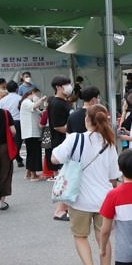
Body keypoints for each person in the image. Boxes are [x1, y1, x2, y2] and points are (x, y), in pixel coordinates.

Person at [52, 104, 121, 265]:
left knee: (80, 236)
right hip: (103, 199)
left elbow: (54, 159)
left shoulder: (75, 138)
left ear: (86, 120)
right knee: (103, 239)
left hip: (79, 199)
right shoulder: (108, 143)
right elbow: (113, 177)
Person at [46, 76, 75, 220]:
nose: (69, 86)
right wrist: (74, 131)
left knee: (68, 177)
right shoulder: (57, 104)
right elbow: (58, 126)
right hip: (61, 142)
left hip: (66, 141)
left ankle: (65, 208)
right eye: (66, 84)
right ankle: (60, 210)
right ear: (58, 87)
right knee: (65, 178)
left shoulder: (64, 102)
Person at [19, 85, 45, 181]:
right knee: (34, 153)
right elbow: (34, 106)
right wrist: (42, 100)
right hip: (31, 132)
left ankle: (28, 173)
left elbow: (40, 112)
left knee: (31, 153)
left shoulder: (29, 102)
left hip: (32, 132)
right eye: (37, 95)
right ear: (32, 93)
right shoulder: (26, 102)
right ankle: (33, 175)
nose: (37, 97)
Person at [0, 80, 24, 167]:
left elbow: (1, 111)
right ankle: (16, 157)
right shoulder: (21, 98)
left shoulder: (2, 100)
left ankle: (16, 157)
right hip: (18, 121)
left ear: (7, 89)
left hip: (6, 122)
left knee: (9, 141)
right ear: (17, 89)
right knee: (18, 141)